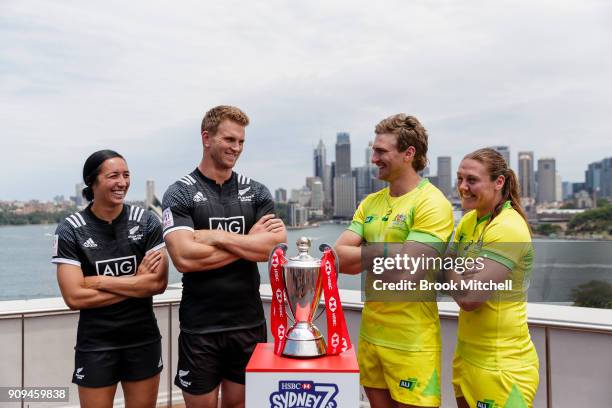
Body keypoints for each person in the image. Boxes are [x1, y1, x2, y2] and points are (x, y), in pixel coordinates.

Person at [162, 105, 286, 408]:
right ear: (206, 137)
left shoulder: (256, 192)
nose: (236, 148)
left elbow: (272, 250)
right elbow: (184, 258)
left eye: (241, 142)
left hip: (248, 324)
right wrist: (248, 243)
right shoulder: (178, 193)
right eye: (229, 140)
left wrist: (216, 236)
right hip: (200, 327)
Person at [335, 114, 454, 408]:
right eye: (374, 150)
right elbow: (338, 259)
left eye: (381, 151)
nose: (373, 158)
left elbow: (407, 274)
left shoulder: (432, 202)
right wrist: (389, 251)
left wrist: (367, 252)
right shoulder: (370, 203)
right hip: (371, 338)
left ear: (408, 153)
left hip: (412, 344)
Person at [52, 149, 168, 408]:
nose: (122, 182)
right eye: (113, 176)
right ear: (92, 182)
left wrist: (101, 281)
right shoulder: (71, 229)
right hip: (96, 343)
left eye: (126, 175)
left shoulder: (147, 221)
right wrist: (136, 281)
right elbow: (74, 296)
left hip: (143, 338)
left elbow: (157, 284)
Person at [446, 148, 539, 407]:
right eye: (459, 179)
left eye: (472, 180)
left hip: (502, 365)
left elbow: (470, 297)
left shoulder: (508, 226)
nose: (463, 187)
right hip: (466, 358)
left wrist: (445, 262)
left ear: (499, 182)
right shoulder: (468, 222)